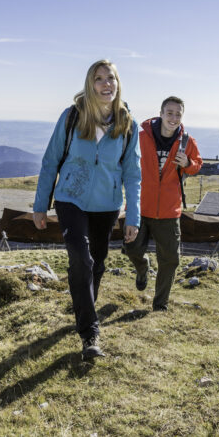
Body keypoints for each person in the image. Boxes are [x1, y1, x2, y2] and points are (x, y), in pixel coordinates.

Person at [33, 60, 141, 360]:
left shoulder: (127, 123)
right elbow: (50, 161)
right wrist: (40, 206)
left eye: (111, 78)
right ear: (89, 84)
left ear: (118, 84)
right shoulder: (72, 117)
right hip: (71, 199)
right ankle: (89, 333)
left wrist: (133, 216)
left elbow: (133, 174)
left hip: (107, 205)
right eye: (99, 79)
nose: (106, 84)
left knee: (97, 263)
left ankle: (85, 306)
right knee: (80, 258)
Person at [124, 96, 201, 311]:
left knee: (170, 260)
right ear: (161, 113)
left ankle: (160, 305)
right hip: (139, 206)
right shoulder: (140, 136)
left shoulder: (187, 141)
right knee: (132, 249)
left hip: (169, 211)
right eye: (170, 113)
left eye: (178, 114)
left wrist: (188, 163)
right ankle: (142, 269)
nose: (173, 118)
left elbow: (197, 165)